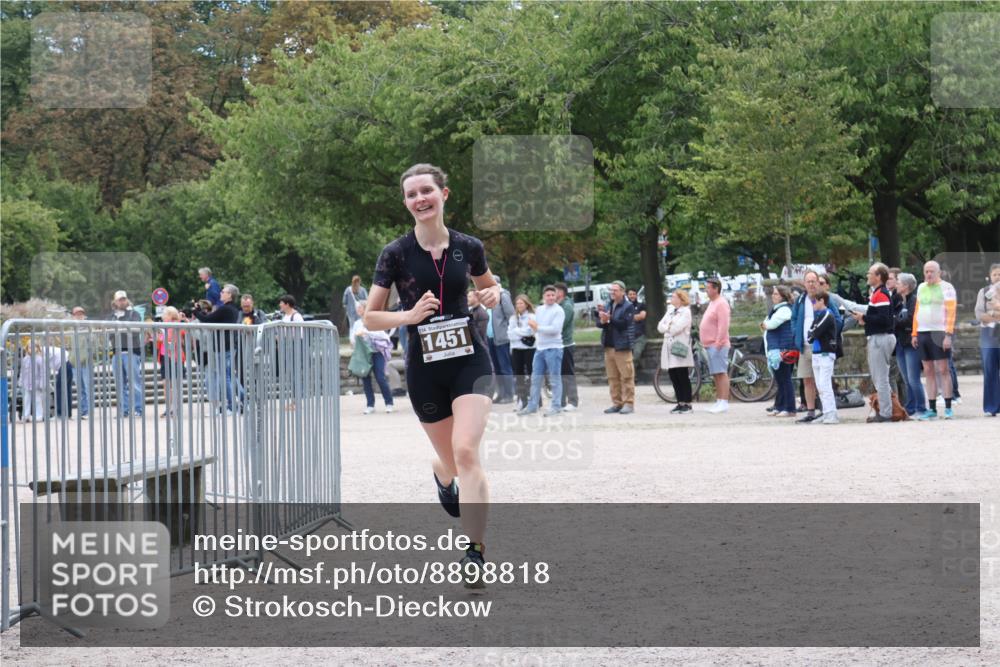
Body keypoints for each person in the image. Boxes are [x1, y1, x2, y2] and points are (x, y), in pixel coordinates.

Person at [364, 163, 500, 586]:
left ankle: (474, 552)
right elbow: (369, 318)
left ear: (445, 193)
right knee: (451, 461)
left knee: (466, 452)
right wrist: (409, 314)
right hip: (424, 365)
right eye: (411, 194)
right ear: (406, 202)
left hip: (469, 360)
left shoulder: (468, 246)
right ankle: (441, 475)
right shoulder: (395, 253)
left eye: (426, 191)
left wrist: (494, 293)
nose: (419, 199)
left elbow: (489, 289)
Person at [911, 261, 957, 420]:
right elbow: (917, 310)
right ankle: (931, 408)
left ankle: (949, 407)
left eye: (931, 271)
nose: (928, 274)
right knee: (928, 370)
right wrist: (914, 333)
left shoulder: (947, 287)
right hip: (923, 332)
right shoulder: (921, 287)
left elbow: (951, 312)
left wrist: (948, 334)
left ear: (939, 272)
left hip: (939, 332)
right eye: (926, 271)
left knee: (943, 370)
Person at [852, 263, 896, 423]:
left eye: (870, 273)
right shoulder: (878, 293)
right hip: (879, 336)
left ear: (878, 276)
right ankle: (888, 410)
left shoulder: (881, 294)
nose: (867, 276)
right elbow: (879, 318)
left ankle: (885, 413)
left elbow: (884, 319)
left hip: (881, 338)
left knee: (881, 378)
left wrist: (863, 318)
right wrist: (866, 321)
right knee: (880, 378)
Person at [193, 283, 243, 415]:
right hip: (227, 345)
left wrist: (195, 312)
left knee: (224, 377)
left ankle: (232, 406)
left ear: (229, 295)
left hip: (224, 346)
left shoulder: (225, 309)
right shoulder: (232, 309)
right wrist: (201, 312)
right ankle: (243, 402)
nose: (220, 293)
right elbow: (212, 319)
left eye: (223, 292)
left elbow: (207, 320)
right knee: (229, 376)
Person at [518, 285, 565, 417]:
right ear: (543, 296)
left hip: (554, 348)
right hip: (540, 348)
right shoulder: (539, 309)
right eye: (548, 295)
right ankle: (532, 406)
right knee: (535, 378)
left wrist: (537, 327)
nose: (550, 297)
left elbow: (555, 329)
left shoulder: (559, 310)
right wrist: (522, 331)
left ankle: (556, 406)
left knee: (554, 379)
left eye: (552, 295)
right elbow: (533, 328)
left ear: (556, 296)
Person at [597, 280, 635, 414]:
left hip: (622, 346)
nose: (612, 293)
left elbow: (624, 324)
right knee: (612, 377)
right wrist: (602, 319)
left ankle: (629, 404)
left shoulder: (628, 306)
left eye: (615, 290)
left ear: (622, 291)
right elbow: (600, 324)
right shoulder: (608, 304)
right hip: (609, 346)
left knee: (626, 376)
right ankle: (617, 403)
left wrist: (609, 318)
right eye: (611, 290)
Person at [351, 301, 394, 414]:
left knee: (380, 377)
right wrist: (356, 338)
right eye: (357, 308)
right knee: (365, 379)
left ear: (365, 308)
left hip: (377, 353)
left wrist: (367, 333)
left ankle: (389, 403)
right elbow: (352, 339)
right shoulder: (356, 324)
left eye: (360, 307)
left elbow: (383, 336)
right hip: (364, 354)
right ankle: (370, 405)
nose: (358, 309)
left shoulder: (373, 321)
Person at [107, 290, 145, 417]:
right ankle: (124, 410)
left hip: (131, 352)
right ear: (115, 301)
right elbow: (109, 334)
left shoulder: (134, 313)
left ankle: (138, 409)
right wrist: (122, 328)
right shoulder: (112, 316)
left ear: (127, 300)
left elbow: (134, 332)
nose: (122, 301)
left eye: (124, 299)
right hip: (116, 353)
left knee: (134, 382)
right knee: (119, 384)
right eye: (119, 299)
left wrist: (118, 326)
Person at [762, 285, 797, 417]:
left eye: (776, 294)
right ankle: (779, 405)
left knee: (785, 379)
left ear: (782, 296)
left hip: (784, 349)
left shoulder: (784, 309)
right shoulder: (777, 310)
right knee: (780, 379)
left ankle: (790, 408)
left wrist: (764, 325)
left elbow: (769, 324)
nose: (773, 296)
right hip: (777, 349)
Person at [658, 289, 694, 414]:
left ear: (680, 298)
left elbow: (676, 329)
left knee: (682, 376)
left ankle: (688, 404)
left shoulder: (686, 312)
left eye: (673, 297)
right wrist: (668, 326)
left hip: (679, 347)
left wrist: (667, 327)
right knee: (673, 376)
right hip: (668, 347)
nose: (671, 299)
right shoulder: (670, 310)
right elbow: (659, 326)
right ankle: (680, 402)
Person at [894, 273, 925, 416]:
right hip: (900, 343)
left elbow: (911, 319)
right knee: (906, 379)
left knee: (914, 379)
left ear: (906, 286)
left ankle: (921, 407)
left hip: (911, 343)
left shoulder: (914, 300)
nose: (896, 284)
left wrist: (894, 321)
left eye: (899, 282)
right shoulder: (900, 301)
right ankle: (910, 407)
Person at [699, 276, 731, 414]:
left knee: (721, 373)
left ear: (716, 289)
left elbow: (723, 324)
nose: (706, 290)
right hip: (710, 344)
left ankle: (724, 401)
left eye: (708, 288)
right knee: (716, 374)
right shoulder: (712, 303)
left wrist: (719, 342)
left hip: (717, 344)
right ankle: (719, 400)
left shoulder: (721, 303)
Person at [807, 290, 840, 424]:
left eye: (815, 301)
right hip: (817, 353)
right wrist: (811, 334)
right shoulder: (818, 315)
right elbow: (810, 332)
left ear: (822, 301)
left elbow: (815, 331)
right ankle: (826, 412)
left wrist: (812, 334)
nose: (813, 304)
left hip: (825, 353)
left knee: (825, 384)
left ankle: (831, 413)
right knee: (820, 386)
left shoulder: (827, 314)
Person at [974, 263, 1000, 416]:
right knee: (990, 367)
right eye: (995, 274)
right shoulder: (983, 292)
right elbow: (979, 314)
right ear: (990, 276)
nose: (998, 277)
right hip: (989, 332)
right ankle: (991, 406)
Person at [486, 278, 516, 404]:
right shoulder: (487, 298)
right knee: (496, 369)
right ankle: (501, 394)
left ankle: (509, 394)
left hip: (502, 338)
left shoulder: (503, 296)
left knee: (505, 368)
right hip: (490, 339)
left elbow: (511, 316)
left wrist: (510, 334)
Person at [507, 294, 537, 411]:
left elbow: (530, 331)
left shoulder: (532, 316)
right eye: (517, 303)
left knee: (531, 374)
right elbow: (510, 334)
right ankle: (521, 399)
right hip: (516, 349)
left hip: (529, 349)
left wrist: (517, 332)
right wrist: (521, 332)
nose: (519, 305)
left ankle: (534, 399)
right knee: (518, 375)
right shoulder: (513, 318)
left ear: (526, 304)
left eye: (521, 303)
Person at [156, 306, 186, 418]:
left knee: (175, 384)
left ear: (170, 315)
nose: (162, 316)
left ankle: (175, 408)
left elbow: (181, 336)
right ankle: (169, 408)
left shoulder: (177, 325)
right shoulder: (162, 327)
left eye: (164, 314)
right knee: (166, 383)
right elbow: (160, 342)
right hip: (165, 357)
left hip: (176, 357)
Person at [554, 282, 579, 411]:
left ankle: (573, 401)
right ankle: (561, 401)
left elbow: (560, 325)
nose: (553, 294)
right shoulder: (556, 306)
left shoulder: (567, 306)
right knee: (558, 374)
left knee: (568, 373)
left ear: (562, 292)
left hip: (566, 344)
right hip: (557, 345)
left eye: (556, 291)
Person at [69, 307, 94, 419]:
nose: (79, 316)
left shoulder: (89, 326)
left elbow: (93, 341)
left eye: (81, 314)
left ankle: (89, 412)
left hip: (86, 361)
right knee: (80, 388)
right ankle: (83, 411)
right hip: (75, 362)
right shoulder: (71, 327)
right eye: (76, 314)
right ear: (73, 315)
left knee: (88, 387)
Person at [627, 287, 648, 369]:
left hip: (639, 336)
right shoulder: (625, 307)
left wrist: (628, 317)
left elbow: (642, 316)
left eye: (634, 294)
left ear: (636, 295)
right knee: (627, 358)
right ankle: (631, 376)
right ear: (627, 295)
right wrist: (635, 317)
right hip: (628, 337)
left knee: (636, 355)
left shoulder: (641, 305)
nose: (632, 296)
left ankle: (631, 375)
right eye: (630, 294)